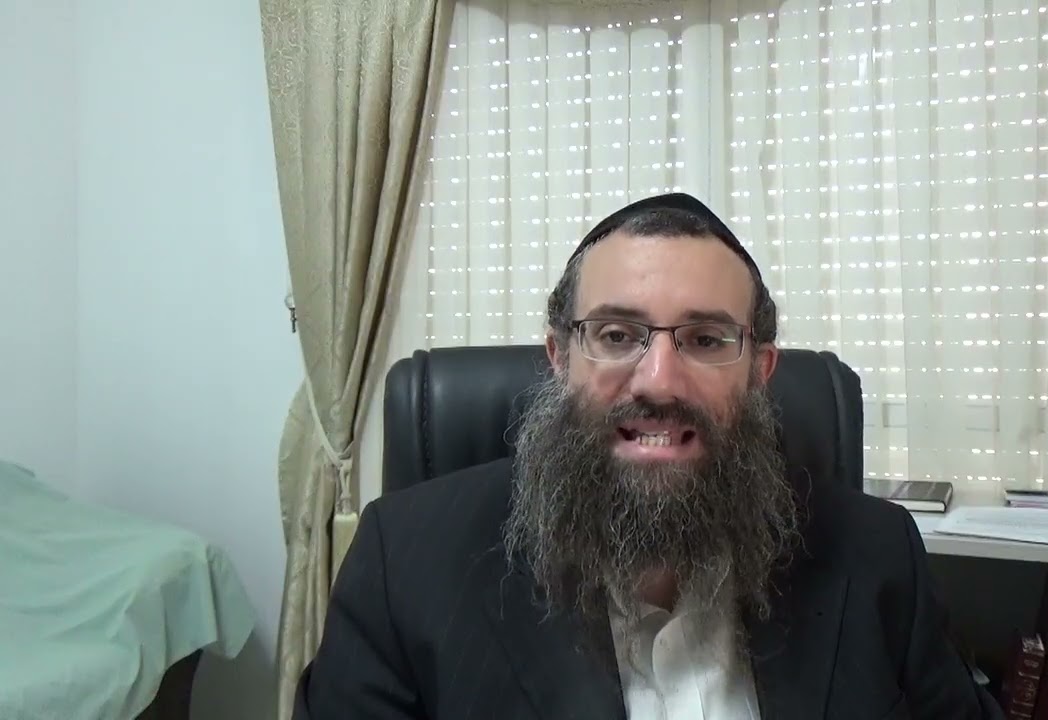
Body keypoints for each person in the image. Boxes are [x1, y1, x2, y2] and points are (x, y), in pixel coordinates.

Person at [293, 193, 991, 719]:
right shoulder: (404, 565)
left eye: (706, 340)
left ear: (760, 372)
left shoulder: (877, 555)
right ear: (560, 357)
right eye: (617, 335)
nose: (659, 381)